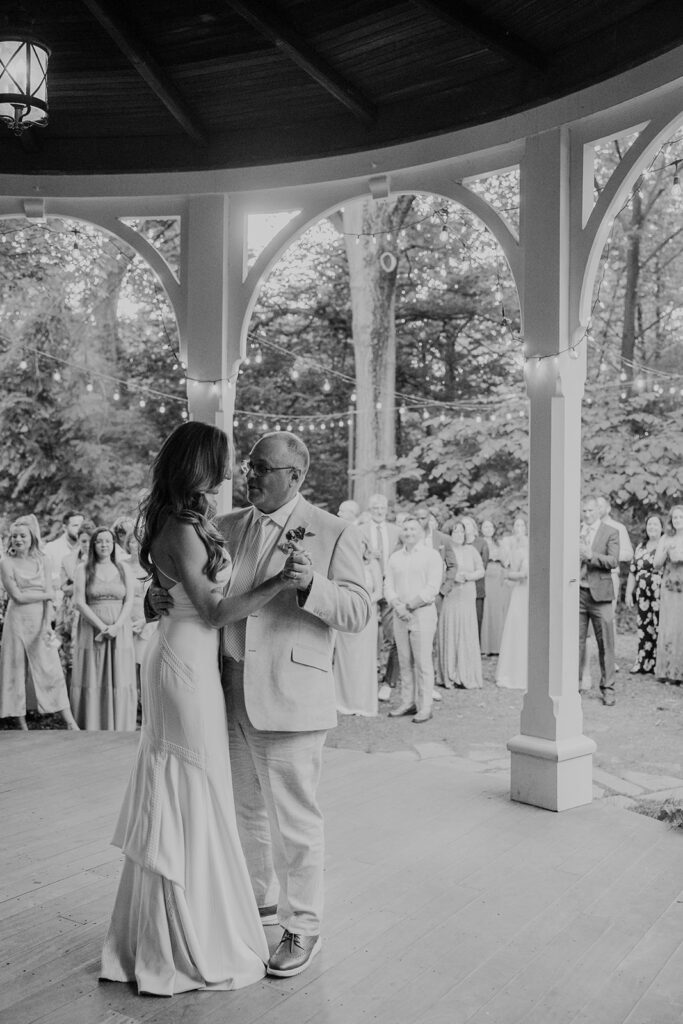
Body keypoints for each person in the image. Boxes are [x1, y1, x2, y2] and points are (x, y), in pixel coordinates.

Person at [148, 430, 371, 979]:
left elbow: (361, 610)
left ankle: (304, 927)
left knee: (295, 818)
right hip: (221, 689)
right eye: (247, 466)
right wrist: (155, 595)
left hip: (291, 695)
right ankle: (255, 903)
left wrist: (312, 585)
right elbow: (198, 593)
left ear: (294, 476)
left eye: (261, 469)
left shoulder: (334, 532)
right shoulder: (223, 525)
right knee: (243, 810)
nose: (247, 476)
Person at [101, 422, 296, 995]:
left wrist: (153, 593)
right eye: (225, 459)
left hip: (191, 660)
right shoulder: (180, 527)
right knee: (191, 783)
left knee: (201, 784)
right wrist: (280, 583)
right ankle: (183, 937)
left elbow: (171, 585)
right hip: (184, 664)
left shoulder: (192, 522)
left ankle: (183, 922)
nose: (234, 468)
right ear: (199, 464)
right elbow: (211, 612)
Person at [0, 516, 79, 730]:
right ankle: (20, 721)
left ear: (31, 538)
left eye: (22, 536)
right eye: (14, 536)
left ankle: (69, 720)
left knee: (50, 667)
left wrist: (46, 625)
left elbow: (49, 596)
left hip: (40, 620)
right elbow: (17, 596)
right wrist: (45, 594)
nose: (18, 539)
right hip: (16, 621)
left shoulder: (43, 560)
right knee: (16, 668)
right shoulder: (6, 563)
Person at [70, 527, 137, 730]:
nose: (104, 545)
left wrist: (116, 626)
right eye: (99, 541)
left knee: (120, 675)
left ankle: (120, 725)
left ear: (114, 544)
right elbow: (79, 602)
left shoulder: (123, 568)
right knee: (93, 673)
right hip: (93, 631)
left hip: (120, 630)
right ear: (93, 545)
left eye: (108, 541)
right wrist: (102, 627)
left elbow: (130, 600)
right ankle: (91, 724)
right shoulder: (83, 569)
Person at [385, 517, 443, 722]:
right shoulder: (395, 558)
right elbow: (388, 585)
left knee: (423, 662)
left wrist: (409, 606)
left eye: (413, 529)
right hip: (400, 614)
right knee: (404, 660)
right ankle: (407, 702)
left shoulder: (431, 556)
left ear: (421, 532)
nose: (408, 532)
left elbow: (432, 588)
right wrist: (397, 605)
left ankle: (425, 706)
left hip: (422, 613)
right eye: (406, 528)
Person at [333, 536, 381, 716]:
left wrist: (363, 603)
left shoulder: (373, 565)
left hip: (367, 616)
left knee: (363, 659)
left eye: (361, 544)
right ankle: (343, 701)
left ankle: (363, 703)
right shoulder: (344, 565)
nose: (358, 547)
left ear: (366, 546)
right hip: (347, 616)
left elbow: (379, 591)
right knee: (345, 659)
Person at [579, 496, 619, 705]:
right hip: (576, 593)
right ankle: (573, 687)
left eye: (590, 511)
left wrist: (590, 555)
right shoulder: (575, 531)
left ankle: (608, 688)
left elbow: (613, 560)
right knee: (574, 643)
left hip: (601, 596)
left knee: (606, 644)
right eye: (584, 511)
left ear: (599, 511)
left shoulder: (610, 532)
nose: (587, 514)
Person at [360, 494, 400, 702]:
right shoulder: (360, 529)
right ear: (369, 508)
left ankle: (389, 682)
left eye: (382, 507)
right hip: (369, 589)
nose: (379, 510)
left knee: (393, 637)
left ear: (387, 509)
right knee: (365, 637)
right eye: (375, 507)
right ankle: (364, 680)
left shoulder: (396, 531)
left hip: (390, 587)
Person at [436, 519, 484, 690]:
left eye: (461, 531)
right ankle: (448, 674)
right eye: (455, 531)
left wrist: (468, 576)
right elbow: (438, 569)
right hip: (451, 593)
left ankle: (465, 673)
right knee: (450, 628)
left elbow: (481, 570)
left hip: (467, 593)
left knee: (466, 629)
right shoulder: (444, 551)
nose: (458, 534)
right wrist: (451, 577)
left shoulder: (471, 550)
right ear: (449, 534)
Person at [624, 514, 663, 675]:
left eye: (656, 524)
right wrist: (628, 592)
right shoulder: (641, 546)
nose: (652, 527)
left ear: (661, 527)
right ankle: (642, 662)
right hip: (642, 594)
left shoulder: (665, 544)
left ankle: (660, 664)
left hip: (660, 593)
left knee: (659, 626)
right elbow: (633, 571)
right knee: (644, 627)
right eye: (650, 524)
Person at [496, 517, 529, 690]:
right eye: (517, 525)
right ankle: (512, 672)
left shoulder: (535, 547)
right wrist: (521, 574)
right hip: (520, 592)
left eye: (522, 525)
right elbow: (511, 573)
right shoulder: (513, 549)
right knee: (517, 629)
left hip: (531, 594)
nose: (520, 528)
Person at [653, 504, 683, 685]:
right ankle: (667, 671)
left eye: (681, 517)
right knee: (670, 627)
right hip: (670, 588)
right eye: (675, 518)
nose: (678, 521)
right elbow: (656, 564)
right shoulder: (666, 538)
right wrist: (666, 551)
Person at [44, 511, 84, 613]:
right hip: (56, 605)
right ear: (65, 527)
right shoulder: (51, 548)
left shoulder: (88, 549)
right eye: (75, 525)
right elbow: (45, 578)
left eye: (81, 525)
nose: (79, 529)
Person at [479, 519, 508, 655]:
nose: (488, 529)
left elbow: (506, 560)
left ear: (494, 528)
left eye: (490, 526)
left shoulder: (499, 543)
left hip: (497, 573)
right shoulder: (480, 543)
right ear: (481, 529)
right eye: (485, 526)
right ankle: (485, 647)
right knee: (486, 609)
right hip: (485, 574)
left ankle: (497, 646)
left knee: (497, 609)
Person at [461, 516, 489, 641]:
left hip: (477, 588)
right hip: (460, 589)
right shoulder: (457, 543)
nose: (466, 527)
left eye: (468, 524)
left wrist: (469, 575)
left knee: (477, 619)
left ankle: (475, 650)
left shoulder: (481, 543)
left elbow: (484, 564)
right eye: (463, 525)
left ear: (473, 527)